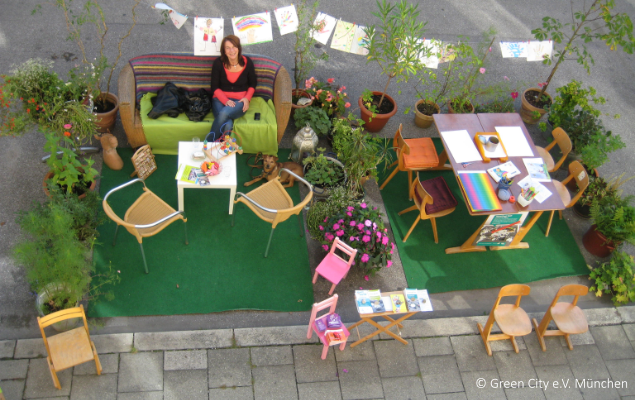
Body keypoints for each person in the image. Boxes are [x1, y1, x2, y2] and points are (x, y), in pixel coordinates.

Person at [206, 35, 257, 142]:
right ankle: (223, 147)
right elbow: (214, 87)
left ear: (239, 48)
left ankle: (208, 143)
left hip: (240, 101)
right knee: (228, 124)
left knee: (224, 113)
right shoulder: (218, 63)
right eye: (227, 48)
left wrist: (247, 98)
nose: (231, 50)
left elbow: (253, 84)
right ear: (224, 51)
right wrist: (226, 100)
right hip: (219, 99)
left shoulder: (248, 62)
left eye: (234, 47)